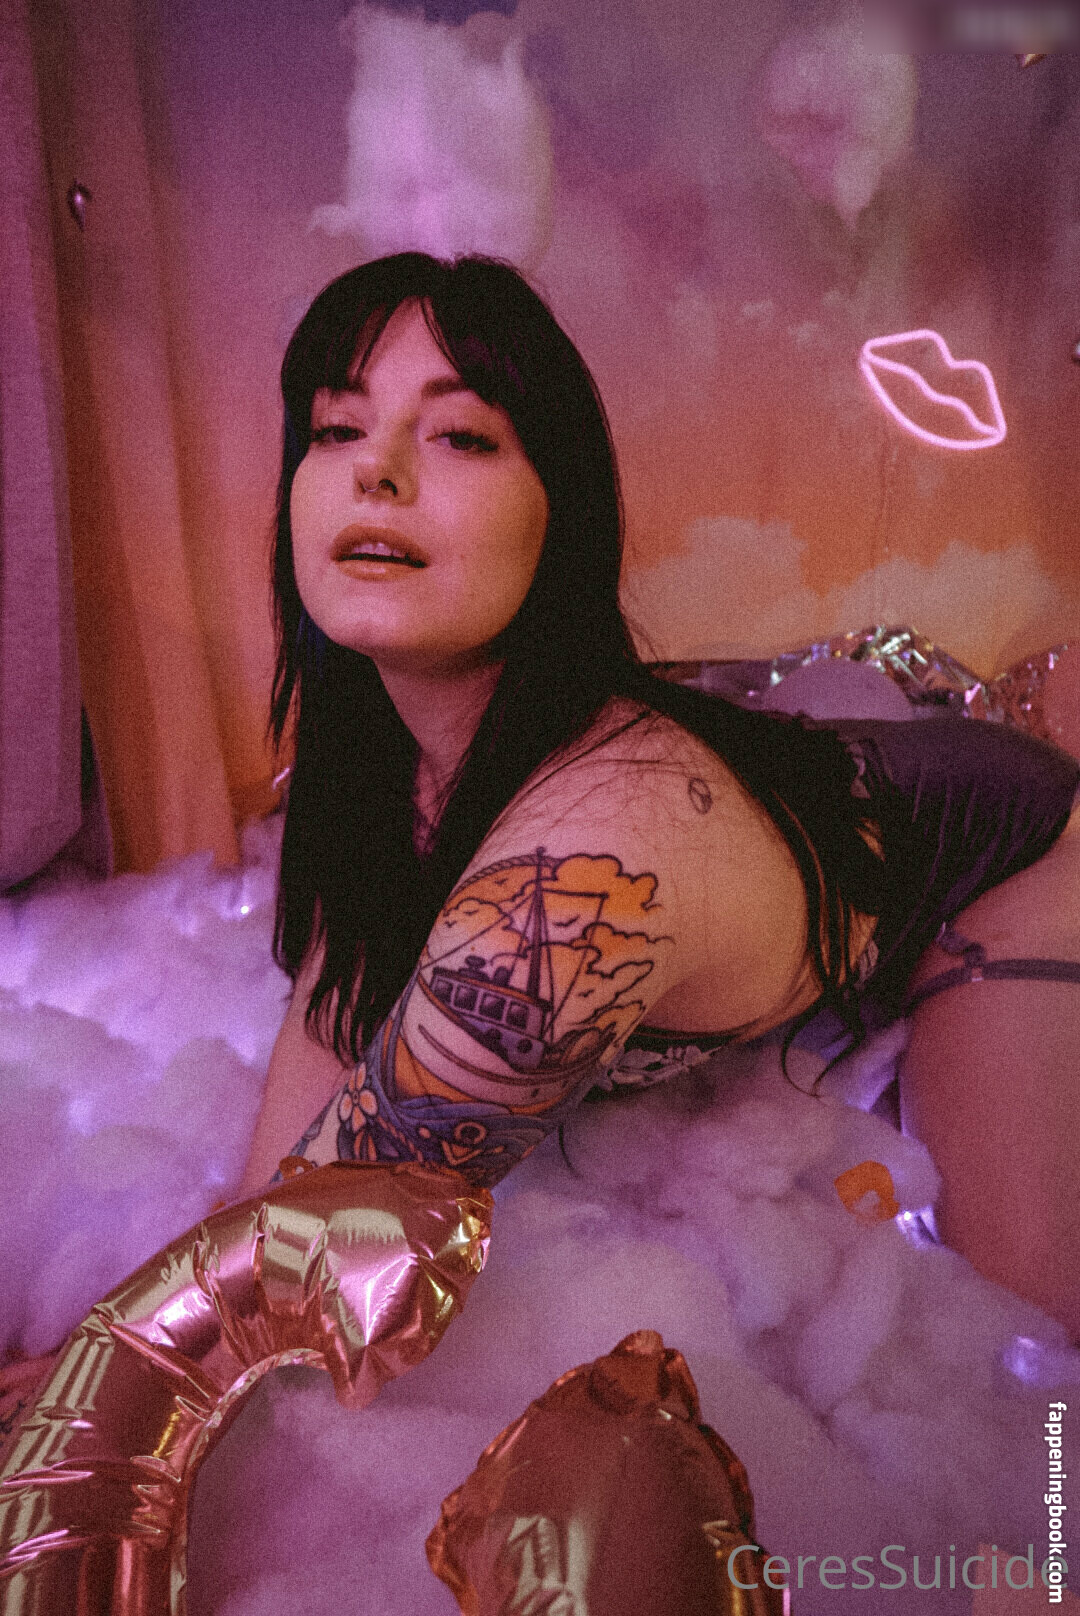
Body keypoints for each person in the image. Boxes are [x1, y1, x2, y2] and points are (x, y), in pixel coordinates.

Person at [239, 252, 1080, 1342]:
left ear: (562, 517)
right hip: (797, 794)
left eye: (461, 436)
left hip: (1006, 861)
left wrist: (107, 1371)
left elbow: (315, 1260)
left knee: (1025, 1346)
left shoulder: (581, 875)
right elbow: (321, 1044)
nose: (377, 473)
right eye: (337, 428)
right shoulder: (374, 756)